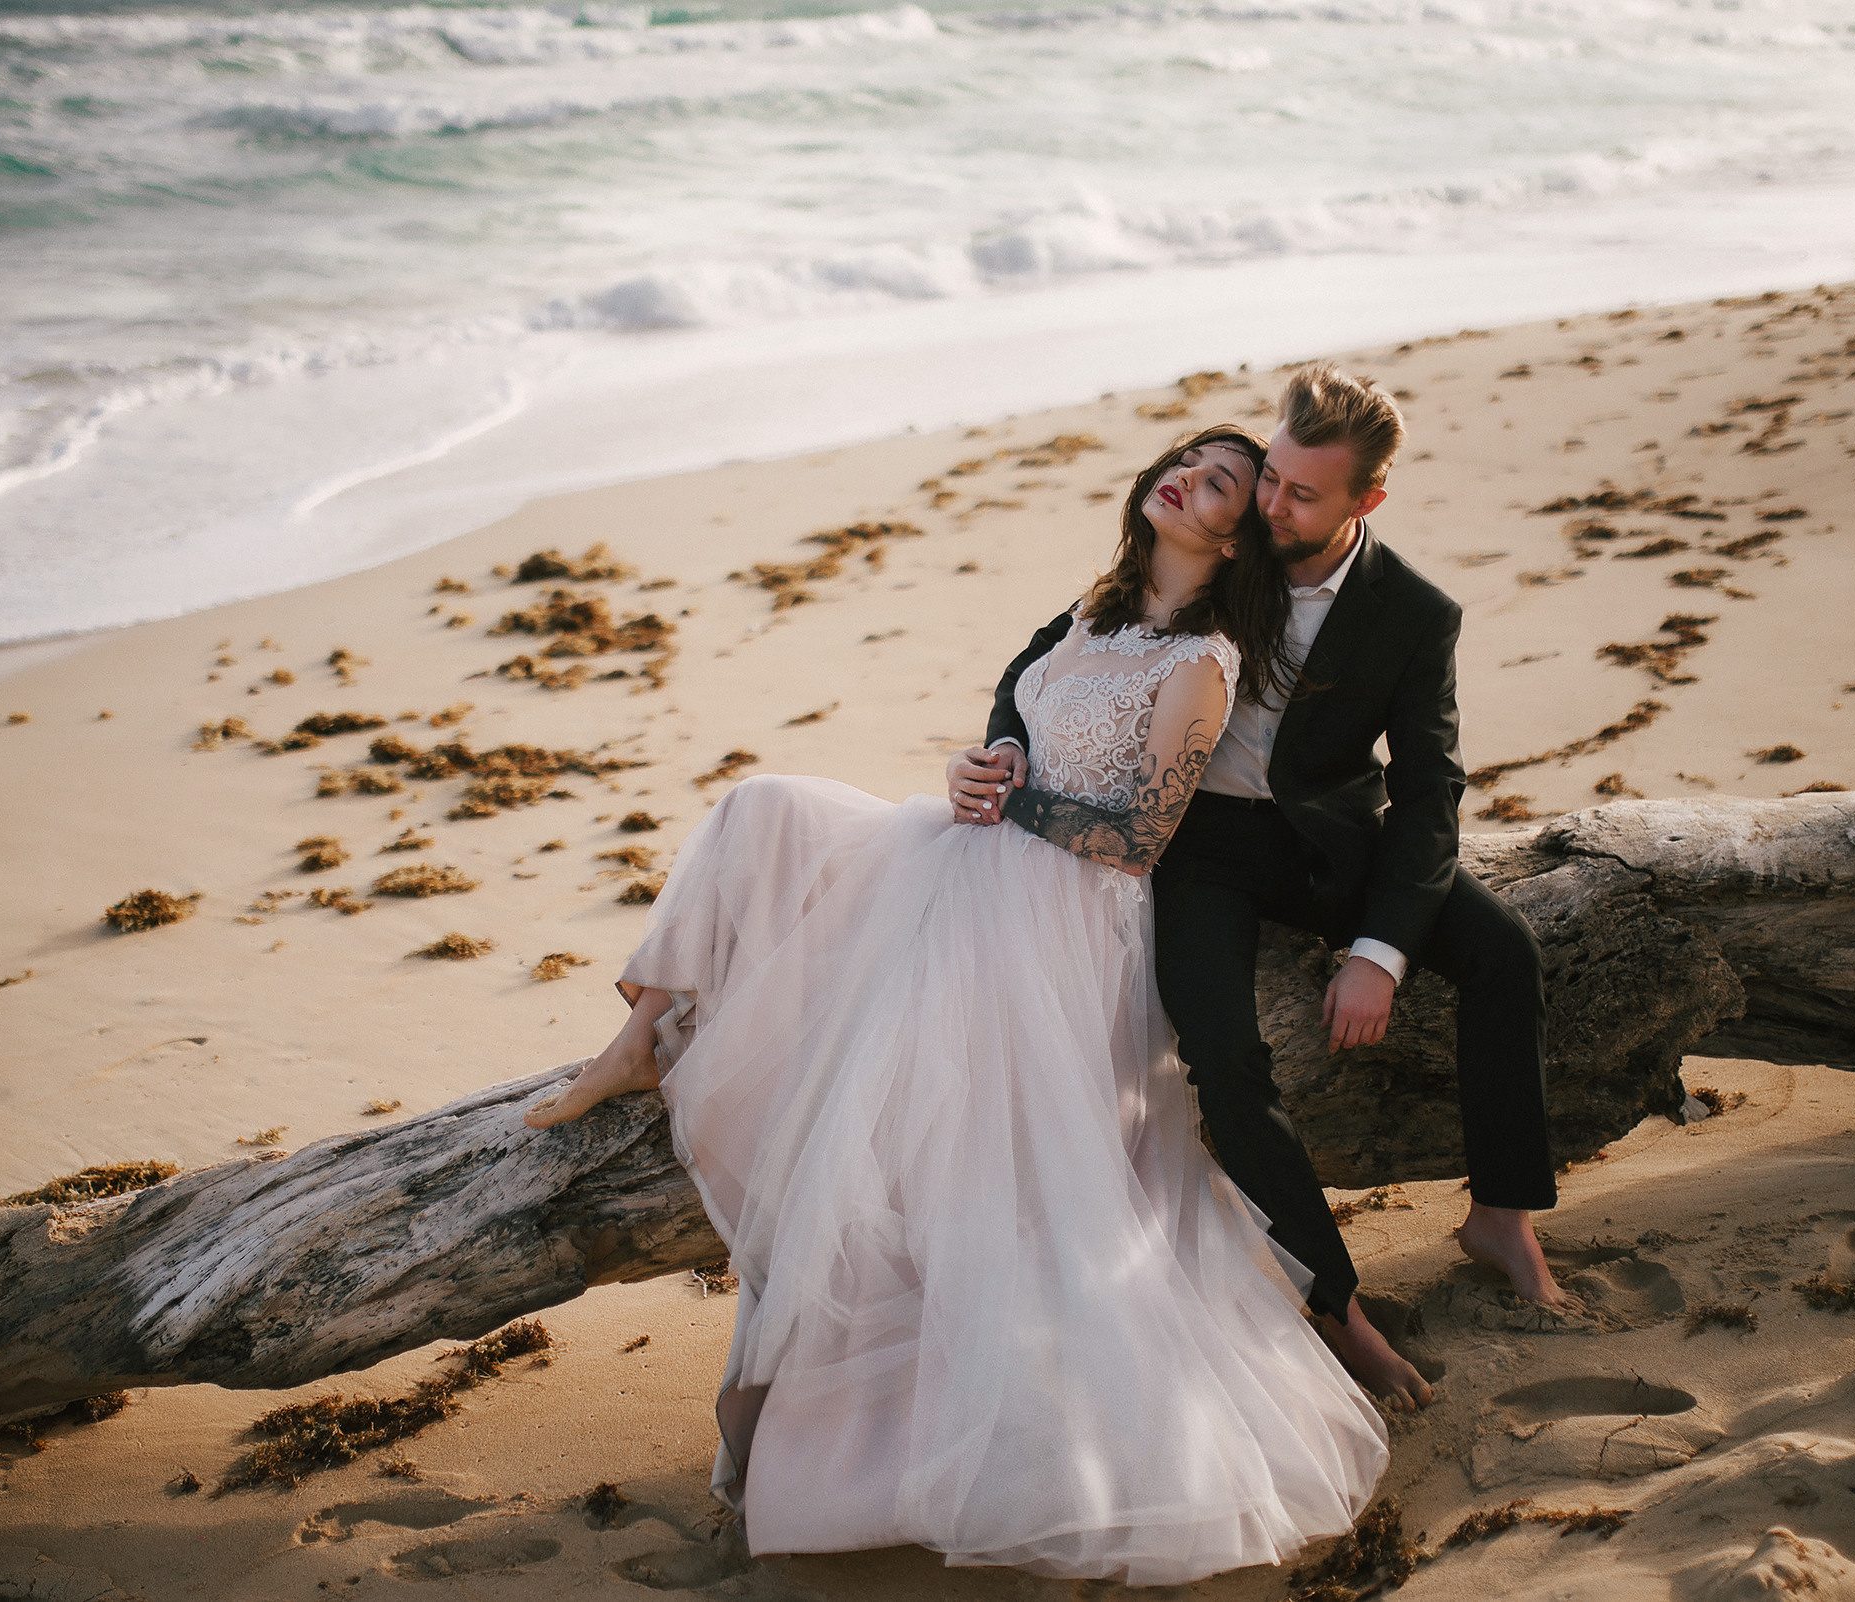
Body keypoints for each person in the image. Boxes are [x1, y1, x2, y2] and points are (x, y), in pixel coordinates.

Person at [523, 427, 1389, 1584]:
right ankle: (640, 1036)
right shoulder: (1091, 617)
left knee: (914, 1132)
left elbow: (1136, 839)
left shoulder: (1204, 661)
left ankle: (856, 1435)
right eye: (1184, 460)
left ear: (1237, 539)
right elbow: (1016, 736)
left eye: (1220, 482)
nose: (1185, 477)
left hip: (1062, 918)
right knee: (761, 811)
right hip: (971, 854)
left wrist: (1011, 805)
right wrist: (975, 768)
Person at [950, 365, 1565, 1412]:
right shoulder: (1210, 544)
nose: (1272, 506)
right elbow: (1044, 660)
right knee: (1224, 1058)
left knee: (1505, 952)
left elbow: (1430, 792)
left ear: (1367, 501)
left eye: (1302, 495)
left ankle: (1503, 1216)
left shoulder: (1415, 614)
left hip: (1333, 840)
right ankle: (1337, 1304)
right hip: (1199, 847)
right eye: (1269, 477)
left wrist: (1378, 954)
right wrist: (1003, 744)